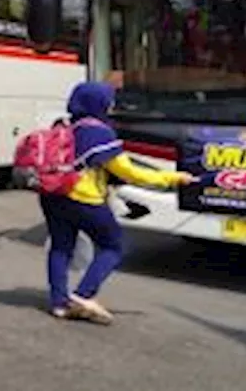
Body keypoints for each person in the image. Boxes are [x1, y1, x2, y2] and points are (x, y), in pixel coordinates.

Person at [42, 82, 194, 324]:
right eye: (109, 100)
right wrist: (174, 178)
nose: (112, 105)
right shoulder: (98, 132)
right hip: (84, 198)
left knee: (61, 248)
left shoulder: (65, 126)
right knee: (113, 246)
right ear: (98, 103)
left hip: (52, 195)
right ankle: (83, 294)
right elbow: (130, 172)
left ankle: (59, 303)